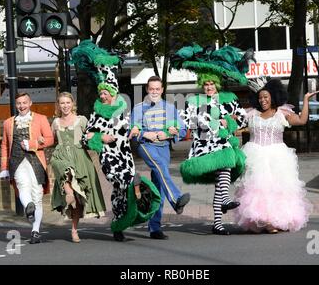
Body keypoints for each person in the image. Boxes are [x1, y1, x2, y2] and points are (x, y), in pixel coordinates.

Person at [71, 40, 161, 242]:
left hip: (125, 155)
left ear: (113, 95)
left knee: (119, 193)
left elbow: (135, 126)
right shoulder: (97, 115)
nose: (103, 96)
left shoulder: (123, 112)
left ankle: (119, 224)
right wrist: (100, 137)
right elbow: (85, 138)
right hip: (109, 157)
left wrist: (136, 130)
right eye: (100, 93)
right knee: (121, 180)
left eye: (106, 93)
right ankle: (136, 189)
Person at [172, 44, 253, 235]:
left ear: (217, 84)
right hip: (203, 146)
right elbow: (187, 122)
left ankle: (217, 223)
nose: (208, 87)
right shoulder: (194, 102)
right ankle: (224, 203)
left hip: (223, 144)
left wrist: (229, 122)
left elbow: (242, 117)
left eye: (211, 84)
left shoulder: (229, 98)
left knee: (222, 176)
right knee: (222, 173)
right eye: (205, 84)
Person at [234, 77, 315, 234]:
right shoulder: (251, 114)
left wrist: (305, 99)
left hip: (278, 156)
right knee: (257, 189)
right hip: (255, 154)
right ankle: (261, 220)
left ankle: (276, 220)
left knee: (278, 189)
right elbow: (232, 120)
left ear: (273, 96)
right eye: (260, 97)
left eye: (266, 97)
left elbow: (301, 120)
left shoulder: (282, 113)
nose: (263, 100)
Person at [129, 76, 190, 240]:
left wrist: (171, 132)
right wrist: (143, 133)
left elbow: (183, 130)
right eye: (151, 89)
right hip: (146, 146)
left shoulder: (170, 108)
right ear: (147, 90)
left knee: (159, 186)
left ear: (162, 90)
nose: (154, 91)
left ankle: (154, 228)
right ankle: (176, 199)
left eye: (157, 89)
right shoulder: (139, 108)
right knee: (161, 169)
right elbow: (132, 131)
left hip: (164, 148)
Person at [50, 92, 106, 243]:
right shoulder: (55, 122)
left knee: (79, 199)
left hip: (80, 158)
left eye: (68, 102)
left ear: (72, 103)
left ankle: (74, 230)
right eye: (62, 103)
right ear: (58, 105)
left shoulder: (81, 120)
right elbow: (51, 140)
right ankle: (68, 191)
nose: (65, 106)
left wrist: (96, 138)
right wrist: (40, 140)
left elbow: (92, 136)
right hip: (61, 156)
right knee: (64, 169)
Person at [0, 92, 54, 244]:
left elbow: (50, 139)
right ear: (16, 105)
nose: (22, 106)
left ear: (30, 103)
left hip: (36, 160)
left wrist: (34, 144)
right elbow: (4, 146)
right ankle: (28, 206)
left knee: (37, 194)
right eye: (19, 103)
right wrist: (4, 168)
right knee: (22, 187)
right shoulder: (8, 123)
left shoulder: (41, 119)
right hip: (16, 161)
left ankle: (35, 230)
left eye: (24, 103)